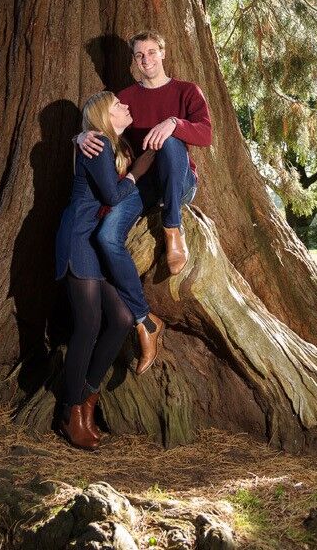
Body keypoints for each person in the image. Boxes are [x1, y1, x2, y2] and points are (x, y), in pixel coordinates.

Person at [78, 31, 212, 374]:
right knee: (106, 237)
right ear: (134, 61)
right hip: (143, 184)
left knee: (168, 142)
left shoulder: (186, 91)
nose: (146, 59)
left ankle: (172, 229)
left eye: (151, 52)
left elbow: (206, 133)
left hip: (179, 182)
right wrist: (79, 136)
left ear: (162, 54)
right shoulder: (126, 97)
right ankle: (144, 321)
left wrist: (173, 122)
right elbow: (100, 125)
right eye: (139, 55)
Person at [56, 90, 155, 450]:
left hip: (95, 242)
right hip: (79, 239)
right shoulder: (96, 141)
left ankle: (87, 396)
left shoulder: (110, 144)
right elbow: (113, 196)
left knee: (123, 318)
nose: (126, 107)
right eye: (118, 106)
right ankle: (70, 412)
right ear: (102, 117)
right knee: (88, 325)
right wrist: (135, 176)